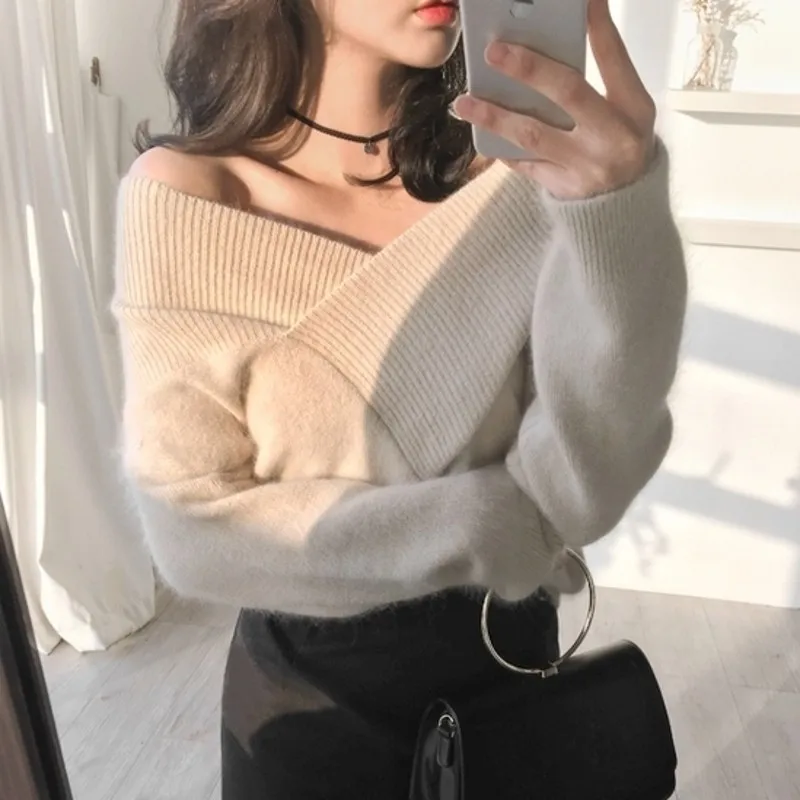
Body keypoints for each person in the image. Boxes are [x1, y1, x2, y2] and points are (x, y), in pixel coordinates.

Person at [113, 0, 687, 797]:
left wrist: (618, 214)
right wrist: (491, 524)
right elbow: (191, 531)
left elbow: (589, 484)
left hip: (507, 675)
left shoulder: (521, 180)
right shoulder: (194, 196)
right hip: (308, 706)